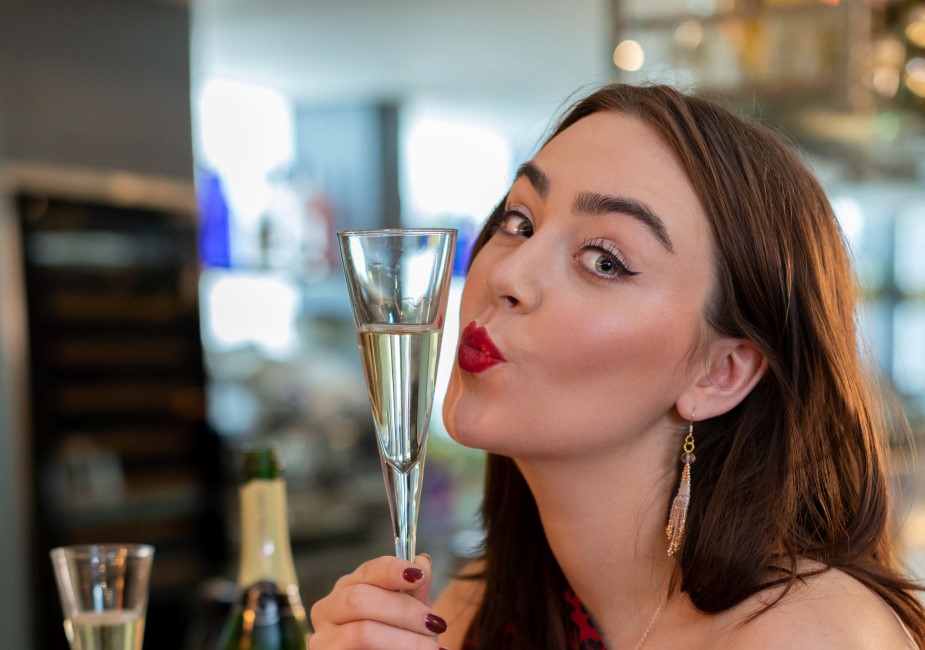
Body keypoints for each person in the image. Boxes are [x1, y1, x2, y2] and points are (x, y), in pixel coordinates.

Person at [308, 83, 925, 649]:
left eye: (604, 260)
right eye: (519, 222)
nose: (506, 275)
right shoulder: (485, 603)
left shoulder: (807, 635)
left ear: (721, 373)